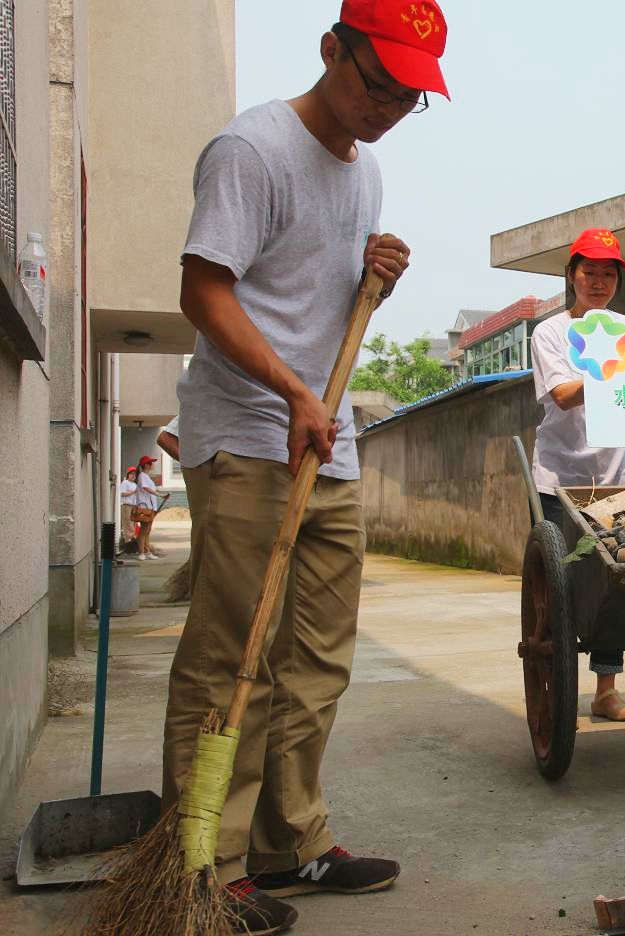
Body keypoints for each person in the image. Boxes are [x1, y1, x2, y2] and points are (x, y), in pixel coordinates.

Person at [164, 2, 449, 933]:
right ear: (332, 50)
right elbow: (203, 290)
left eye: (409, 98)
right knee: (232, 654)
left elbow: (307, 297)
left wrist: (372, 280)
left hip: (325, 441)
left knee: (318, 656)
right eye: (379, 84)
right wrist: (291, 391)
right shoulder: (251, 150)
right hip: (250, 435)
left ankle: (292, 841)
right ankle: (204, 865)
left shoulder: (365, 172)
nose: (388, 109)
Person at [529, 227, 625, 721]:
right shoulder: (550, 332)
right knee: (564, 582)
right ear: (571, 275)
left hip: (617, 476)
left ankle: (606, 689)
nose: (598, 282)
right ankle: (558, 684)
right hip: (560, 477)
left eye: (607, 274)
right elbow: (562, 396)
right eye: (589, 271)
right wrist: (618, 362)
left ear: (617, 281)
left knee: (616, 580)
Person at [136, 455, 163, 560]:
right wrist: (159, 494)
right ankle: (141, 552)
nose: (152, 465)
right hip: (144, 507)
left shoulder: (146, 477)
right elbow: (146, 488)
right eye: (151, 463)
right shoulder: (142, 476)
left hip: (150, 507)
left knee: (147, 530)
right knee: (143, 530)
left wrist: (160, 494)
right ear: (146, 465)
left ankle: (147, 551)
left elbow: (151, 490)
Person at [119, 466, 139, 545]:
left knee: (133, 523)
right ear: (128, 475)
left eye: (134, 474)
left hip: (133, 506)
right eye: (132, 474)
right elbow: (122, 493)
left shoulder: (134, 484)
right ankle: (129, 541)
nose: (133, 475)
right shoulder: (125, 483)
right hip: (127, 506)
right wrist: (133, 492)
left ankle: (132, 540)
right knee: (128, 523)